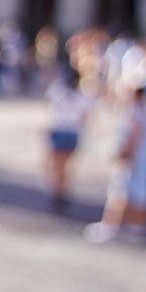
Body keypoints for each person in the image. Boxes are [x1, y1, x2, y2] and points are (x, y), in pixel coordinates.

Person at [86, 84, 146, 243]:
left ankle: (110, 225)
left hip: (133, 158)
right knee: (139, 193)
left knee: (119, 192)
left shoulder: (134, 113)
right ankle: (136, 225)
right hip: (145, 159)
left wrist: (123, 155)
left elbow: (132, 137)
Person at [45, 64, 94, 214]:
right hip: (73, 132)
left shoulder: (57, 89)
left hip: (59, 130)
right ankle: (63, 190)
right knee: (66, 166)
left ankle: (58, 191)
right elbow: (86, 116)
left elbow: (49, 104)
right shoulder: (83, 95)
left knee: (55, 165)